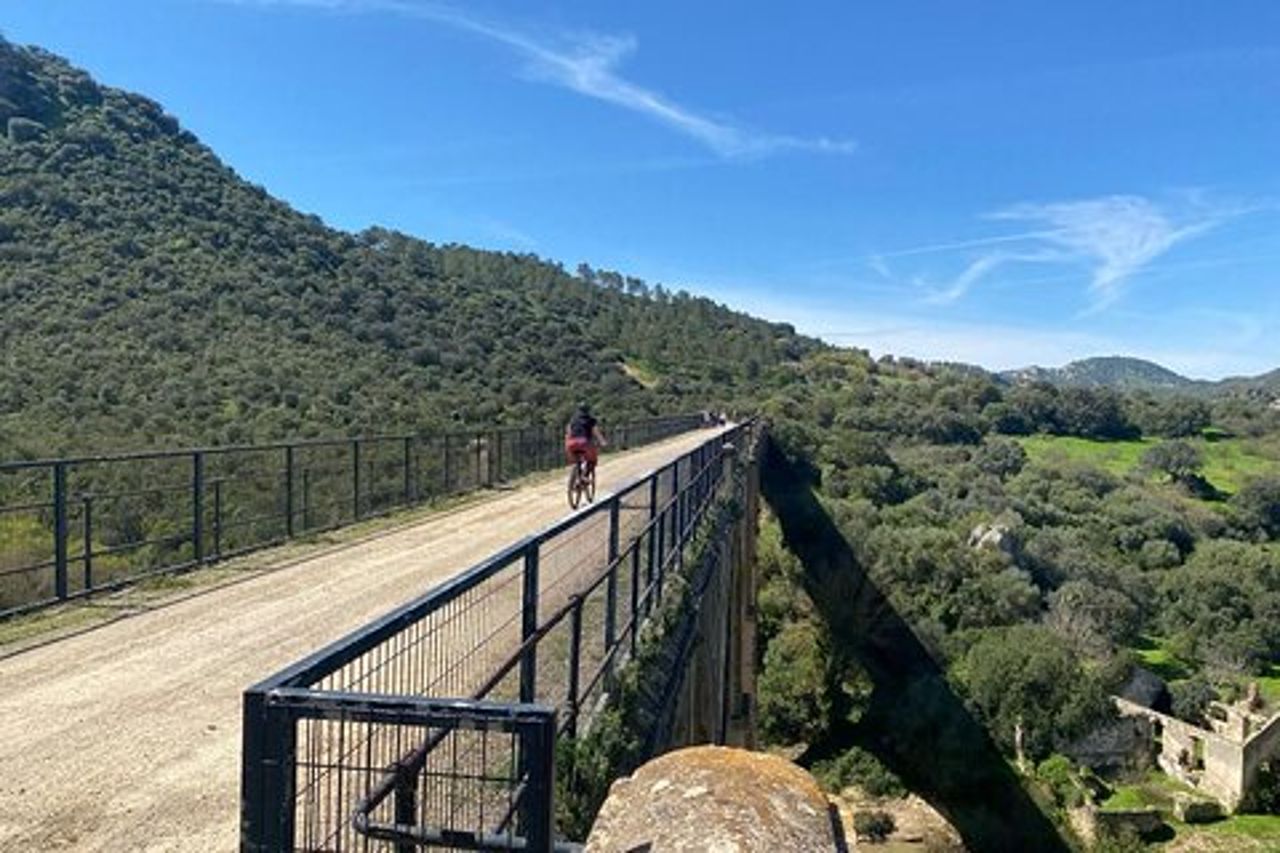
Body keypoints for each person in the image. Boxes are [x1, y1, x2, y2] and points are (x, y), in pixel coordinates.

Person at [564, 403, 606, 474]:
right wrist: (602, 442)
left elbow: (568, 431)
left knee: (574, 458)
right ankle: (585, 475)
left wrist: (567, 441)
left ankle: (576, 471)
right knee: (592, 460)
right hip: (584, 442)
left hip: (571, 443)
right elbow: (596, 432)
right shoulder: (590, 420)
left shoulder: (573, 419)